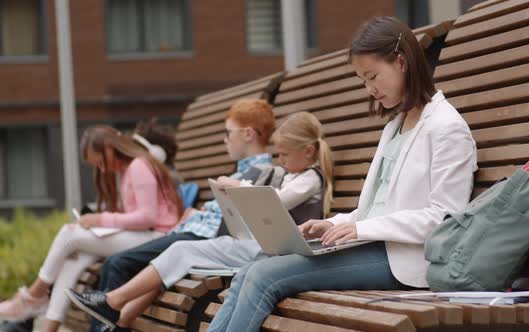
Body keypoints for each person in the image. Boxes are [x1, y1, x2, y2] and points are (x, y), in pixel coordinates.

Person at [206, 16, 479, 331]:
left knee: (263, 276)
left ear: (401, 62)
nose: (369, 88)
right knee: (248, 270)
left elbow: (446, 218)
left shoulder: (446, 128)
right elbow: (375, 209)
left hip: (405, 260)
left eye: (373, 76)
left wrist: (361, 230)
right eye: (363, 80)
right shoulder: (396, 125)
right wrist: (333, 224)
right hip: (373, 247)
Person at [66, 111, 335, 331]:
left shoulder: (311, 179)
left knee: (182, 251)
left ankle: (113, 303)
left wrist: (237, 186)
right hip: (262, 245)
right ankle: (113, 303)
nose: (281, 160)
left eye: (285, 154)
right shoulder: (289, 174)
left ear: (309, 151)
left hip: (275, 251)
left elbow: (276, 202)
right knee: (181, 250)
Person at [87, 99, 276, 331]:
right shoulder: (245, 170)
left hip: (203, 238)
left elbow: (249, 219)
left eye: (228, 133)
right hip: (195, 232)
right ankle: (115, 319)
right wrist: (202, 212)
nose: (224, 139)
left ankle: (109, 313)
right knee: (122, 264)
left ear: (248, 134)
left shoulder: (262, 174)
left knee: (117, 264)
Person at [0, 125, 183, 332]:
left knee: (70, 234)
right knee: (73, 259)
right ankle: (48, 327)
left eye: (100, 162)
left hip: (157, 238)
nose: (103, 170)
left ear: (109, 147)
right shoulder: (129, 169)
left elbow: (147, 217)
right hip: (146, 235)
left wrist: (100, 219)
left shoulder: (139, 166)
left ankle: (33, 296)